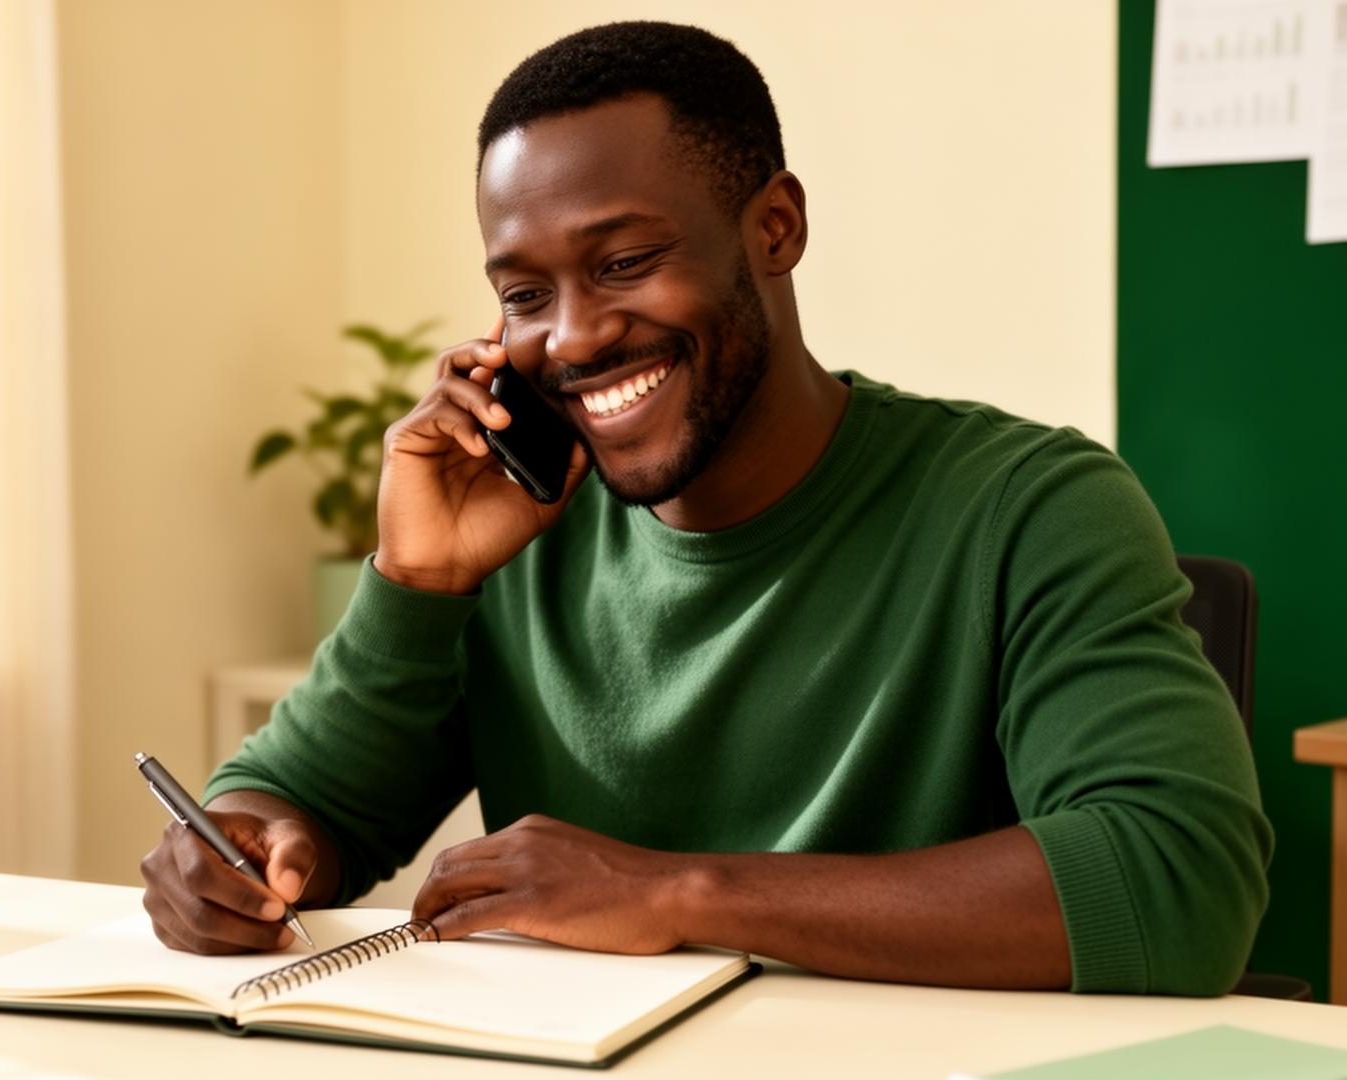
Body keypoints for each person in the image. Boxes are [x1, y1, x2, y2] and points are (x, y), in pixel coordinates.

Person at [140, 21, 1271, 995]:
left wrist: (678, 892)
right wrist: (253, 838)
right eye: (524, 294)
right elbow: (302, 804)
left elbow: (1174, 879)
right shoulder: (521, 520)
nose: (573, 336)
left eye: (625, 261)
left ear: (773, 228)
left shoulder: (1030, 507)